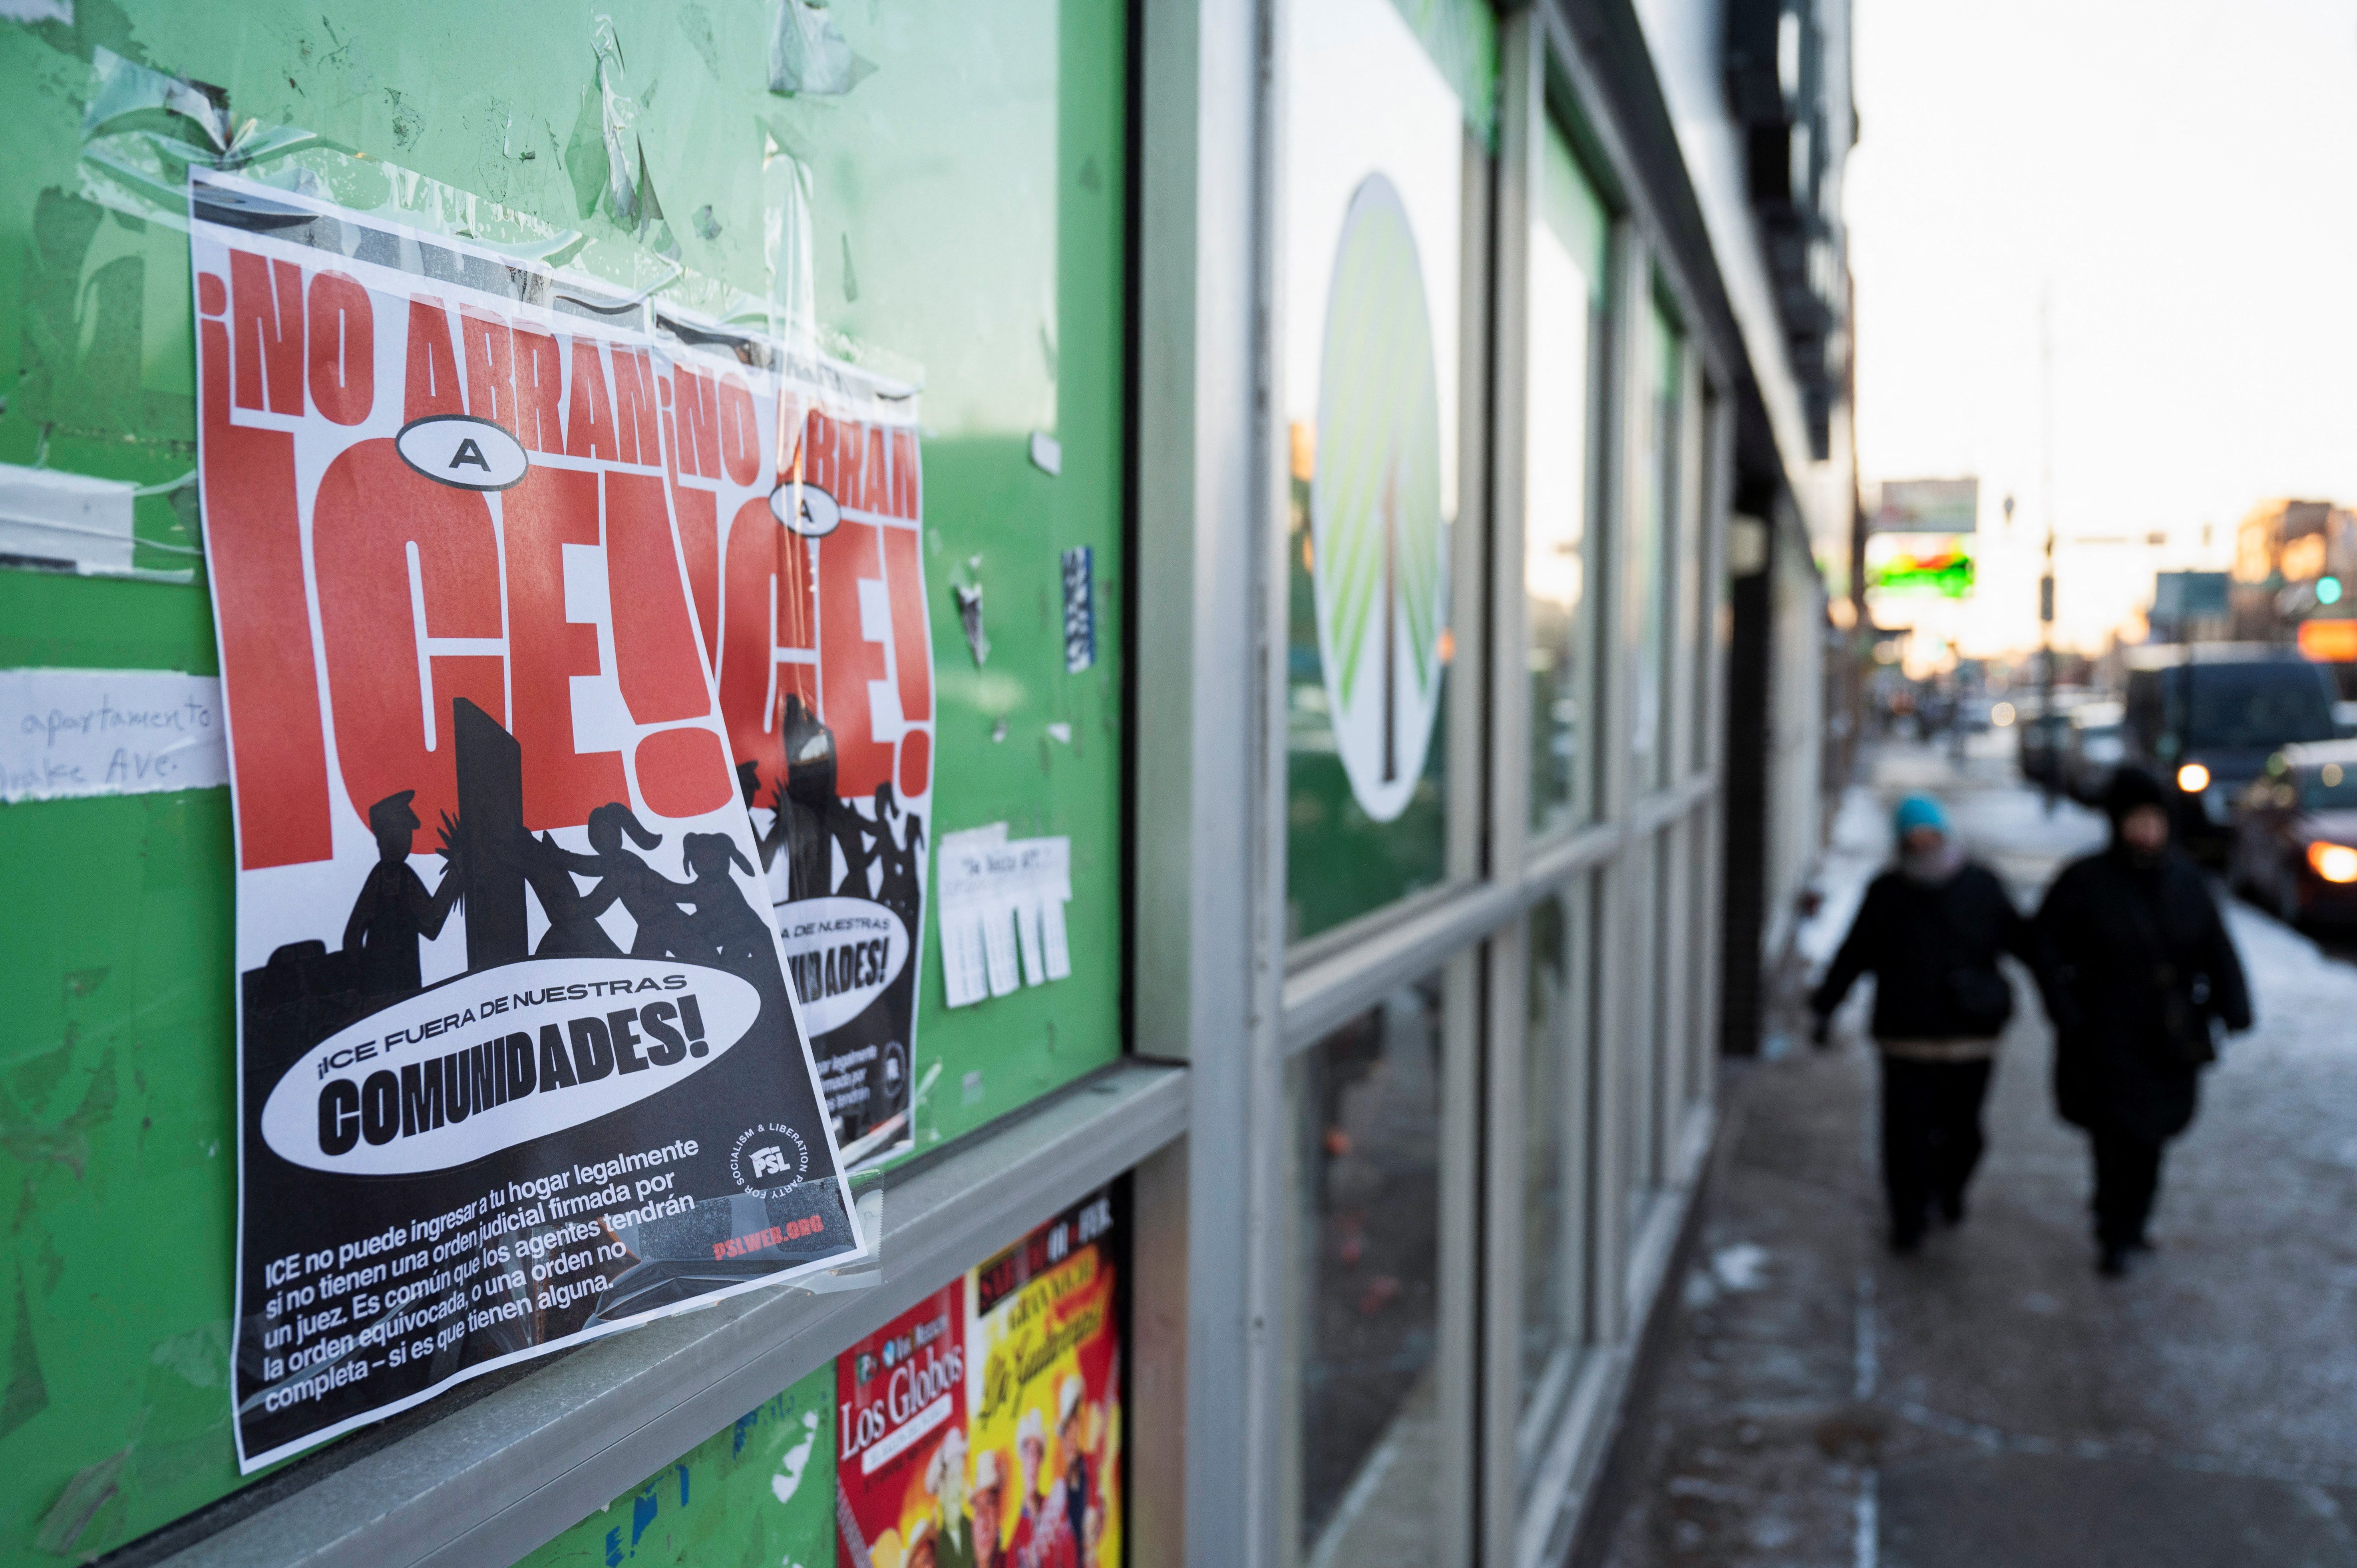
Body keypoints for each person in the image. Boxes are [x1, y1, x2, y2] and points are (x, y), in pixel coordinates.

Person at [2036, 766, 2250, 1277]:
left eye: (2154, 821)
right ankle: (2114, 1229)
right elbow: (2043, 945)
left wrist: (2232, 1006)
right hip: (2103, 1035)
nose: (2146, 832)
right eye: (2136, 821)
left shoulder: (2186, 881)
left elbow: (2216, 949)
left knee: (2151, 1139)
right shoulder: (2084, 880)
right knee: (2113, 1137)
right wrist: (2065, 1008)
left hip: (2170, 1036)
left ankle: (2134, 1218)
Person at [1810, 794, 2036, 1252]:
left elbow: (2029, 945)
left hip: (1971, 1039)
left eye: (1929, 832)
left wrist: (2067, 996)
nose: (1922, 842)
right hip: (1905, 1039)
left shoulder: (1982, 885)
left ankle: (1949, 1190)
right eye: (1912, 835)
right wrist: (1825, 1005)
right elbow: (1855, 953)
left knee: (1964, 1133)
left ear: (1944, 833)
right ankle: (1907, 1218)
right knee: (1904, 1137)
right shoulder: (1887, 891)